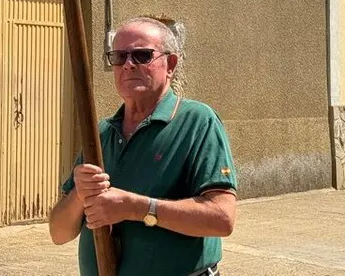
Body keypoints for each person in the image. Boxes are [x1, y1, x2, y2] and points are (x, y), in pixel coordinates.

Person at [49, 17, 237, 276]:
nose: (128, 64)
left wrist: (135, 208)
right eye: (119, 56)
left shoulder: (196, 121)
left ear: (170, 64)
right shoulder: (101, 133)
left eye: (142, 55)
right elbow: (58, 233)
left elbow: (222, 219)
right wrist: (79, 195)